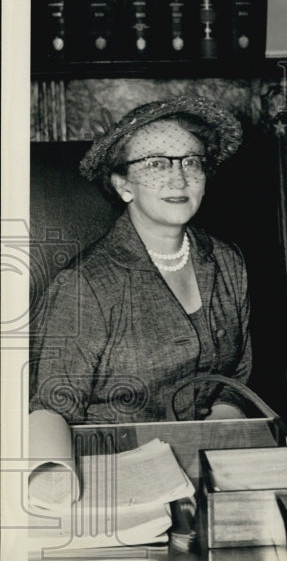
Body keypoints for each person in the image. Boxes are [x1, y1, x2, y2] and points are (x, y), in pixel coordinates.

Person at [30, 96, 252, 424]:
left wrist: (220, 430)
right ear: (123, 185)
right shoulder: (84, 286)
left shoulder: (227, 262)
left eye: (191, 161)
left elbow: (236, 375)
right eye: (156, 163)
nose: (179, 178)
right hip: (115, 460)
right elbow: (49, 412)